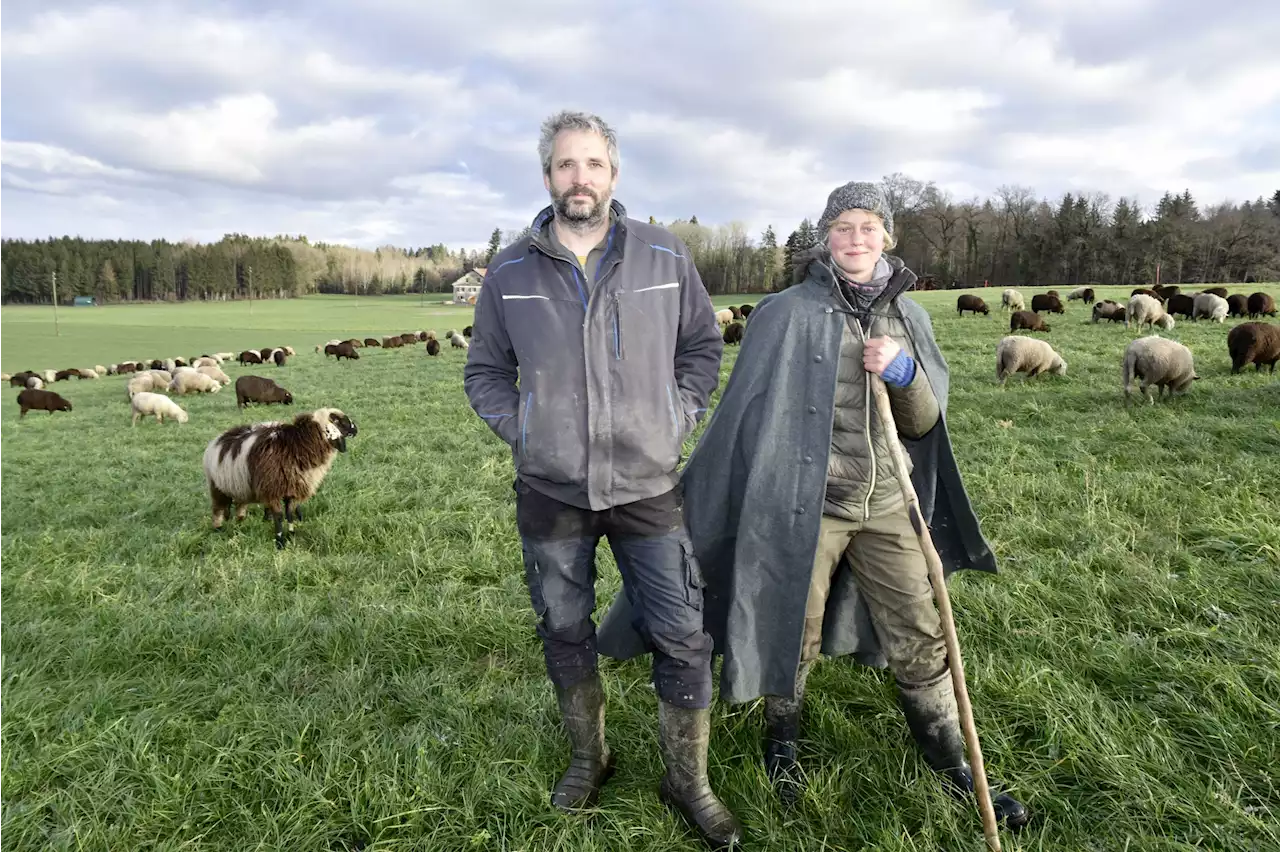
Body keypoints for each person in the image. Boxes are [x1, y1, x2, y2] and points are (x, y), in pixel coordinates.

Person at [598, 181, 1030, 831]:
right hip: (806, 506)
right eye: (843, 227)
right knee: (789, 624)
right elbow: (747, 419)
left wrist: (906, 374)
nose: (856, 238)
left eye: (868, 227)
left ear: (887, 237)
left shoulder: (910, 318)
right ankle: (784, 743)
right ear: (826, 237)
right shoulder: (785, 312)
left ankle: (951, 759)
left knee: (921, 625)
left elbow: (922, 424)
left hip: (886, 501)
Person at [463, 110, 742, 850]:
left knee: (683, 633)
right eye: (564, 165)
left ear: (613, 175)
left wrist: (675, 419)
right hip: (550, 490)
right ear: (547, 176)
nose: (578, 177)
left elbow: (702, 347)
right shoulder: (513, 272)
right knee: (563, 628)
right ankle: (592, 755)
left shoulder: (661, 254)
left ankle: (688, 780)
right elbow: (486, 371)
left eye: (592, 164)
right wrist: (526, 430)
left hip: (648, 483)